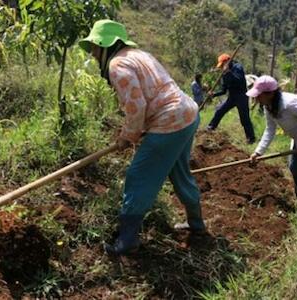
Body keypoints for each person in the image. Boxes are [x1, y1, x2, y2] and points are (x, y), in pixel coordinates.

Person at [79, 20, 206, 255]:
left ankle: (127, 241)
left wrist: (128, 136)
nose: (94, 54)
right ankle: (196, 224)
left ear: (106, 44)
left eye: (95, 47)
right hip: (187, 113)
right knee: (180, 171)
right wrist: (132, 133)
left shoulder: (118, 65)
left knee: (138, 176)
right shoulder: (138, 54)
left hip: (169, 120)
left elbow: (136, 106)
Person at [247, 75, 297, 212]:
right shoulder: (269, 106)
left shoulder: (291, 104)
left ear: (270, 93)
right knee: (294, 168)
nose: (256, 99)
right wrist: (258, 152)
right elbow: (270, 129)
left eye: (258, 95)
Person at [207, 53, 256, 144]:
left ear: (227, 61)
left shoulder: (238, 67)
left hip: (241, 96)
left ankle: (251, 138)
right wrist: (214, 94)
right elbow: (224, 90)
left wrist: (228, 72)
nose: (222, 67)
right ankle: (210, 128)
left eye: (222, 65)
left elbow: (238, 80)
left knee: (244, 118)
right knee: (219, 110)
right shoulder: (224, 73)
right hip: (232, 97)